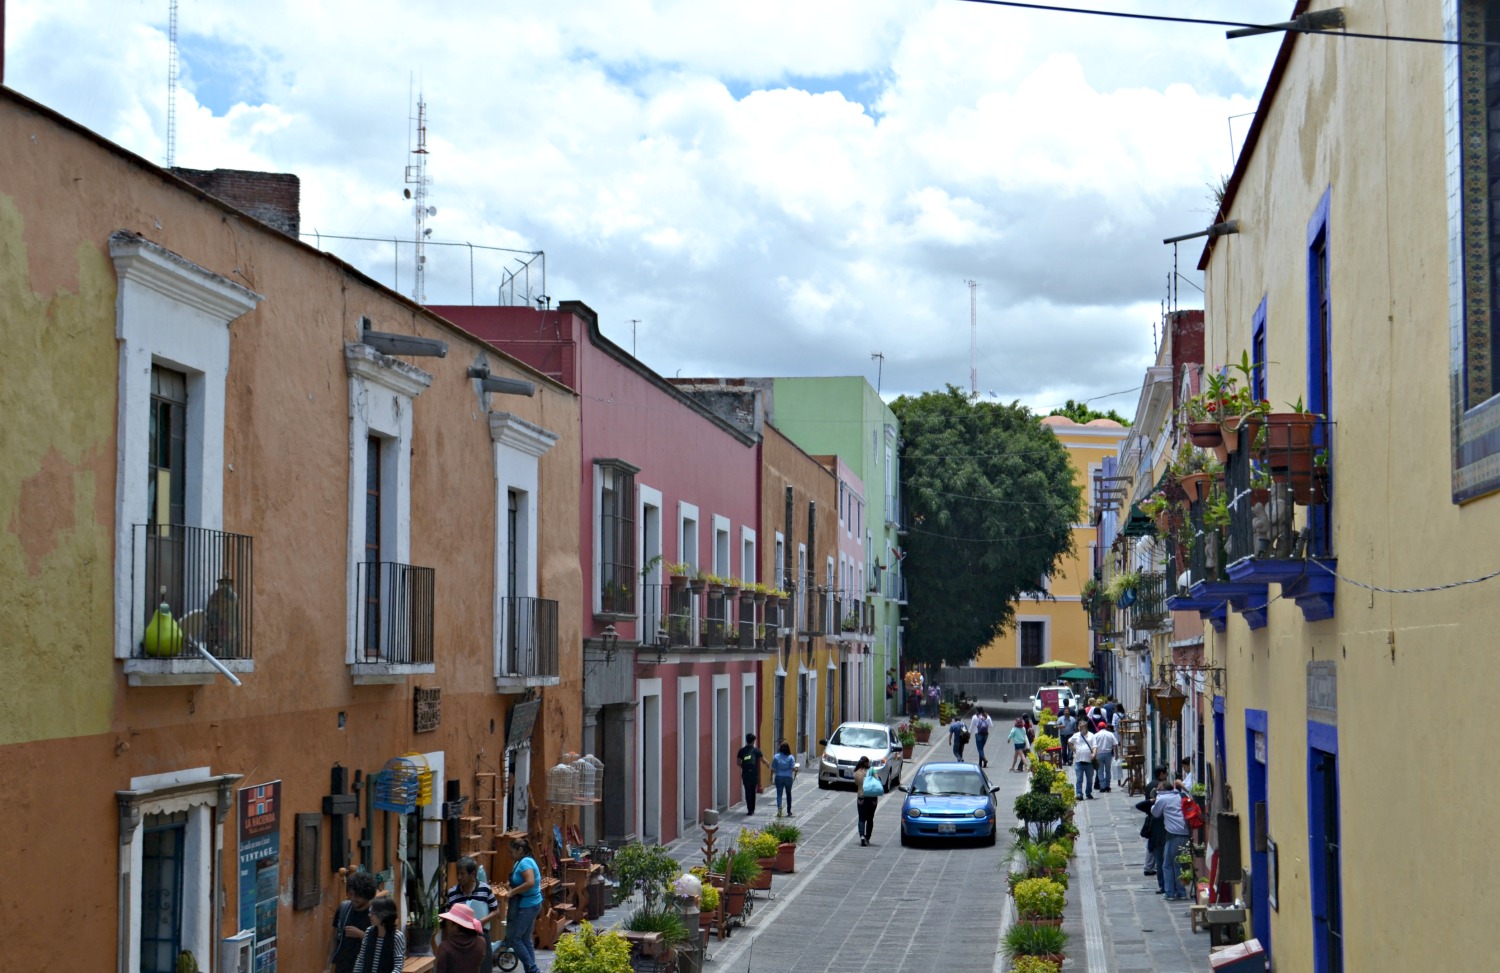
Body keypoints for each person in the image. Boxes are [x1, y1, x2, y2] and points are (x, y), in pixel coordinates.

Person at [444, 857, 500, 956]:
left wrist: (481, 921)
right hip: (460, 938)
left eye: (462, 874)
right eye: (458, 873)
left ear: (473, 873)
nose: (459, 877)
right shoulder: (452, 893)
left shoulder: (485, 889)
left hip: (481, 935)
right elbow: (448, 920)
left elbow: (496, 911)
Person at [505, 836, 544, 973]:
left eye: (511, 852)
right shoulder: (519, 862)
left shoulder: (525, 863)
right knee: (526, 939)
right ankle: (530, 969)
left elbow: (530, 882)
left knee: (516, 939)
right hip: (531, 903)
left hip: (528, 905)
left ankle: (533, 969)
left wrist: (512, 892)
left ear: (520, 850)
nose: (509, 855)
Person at [328, 870, 377, 973]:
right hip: (342, 966)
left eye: (357, 896)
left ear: (367, 895)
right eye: (350, 894)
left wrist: (361, 934)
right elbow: (334, 937)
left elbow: (384, 943)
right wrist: (328, 965)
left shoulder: (376, 914)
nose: (352, 899)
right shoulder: (344, 909)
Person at [1151, 778, 1193, 900]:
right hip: (1185, 832)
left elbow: (1155, 813)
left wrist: (1154, 802)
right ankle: (1181, 891)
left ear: (1161, 790)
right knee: (1178, 864)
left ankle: (1170, 892)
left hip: (1173, 834)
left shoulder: (1162, 798)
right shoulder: (1180, 795)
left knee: (1167, 864)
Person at [351, 895, 404, 973]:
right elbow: (361, 959)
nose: (369, 915)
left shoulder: (397, 936)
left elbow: (398, 966)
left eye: (372, 912)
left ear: (384, 914)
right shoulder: (369, 932)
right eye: (369, 912)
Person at [434, 902, 488, 973]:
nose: (446, 924)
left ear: (456, 925)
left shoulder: (445, 947)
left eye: (448, 922)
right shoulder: (481, 942)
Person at [736, 733, 770, 815]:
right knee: (753, 791)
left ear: (746, 740)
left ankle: (749, 810)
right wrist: (768, 764)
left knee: (747, 791)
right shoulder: (756, 750)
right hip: (754, 773)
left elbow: (738, 762)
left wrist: (744, 767)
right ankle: (752, 809)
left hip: (745, 773)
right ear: (754, 741)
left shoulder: (741, 751)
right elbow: (763, 760)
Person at [853, 755, 878, 846]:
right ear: (867, 763)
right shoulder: (872, 770)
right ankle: (867, 838)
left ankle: (862, 836)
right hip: (872, 798)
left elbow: (856, 783)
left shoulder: (856, 772)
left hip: (861, 797)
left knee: (861, 818)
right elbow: (877, 780)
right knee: (870, 819)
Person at [1068, 721, 1096, 800]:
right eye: (1079, 727)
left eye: (1081, 727)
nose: (1079, 728)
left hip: (1089, 761)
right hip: (1078, 761)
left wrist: (1094, 753)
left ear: (1085, 727)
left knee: (1089, 779)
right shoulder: (1076, 735)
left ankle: (1088, 792)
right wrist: (1073, 749)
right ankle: (1079, 793)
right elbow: (1069, 741)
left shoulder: (1092, 736)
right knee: (1079, 779)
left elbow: (1095, 746)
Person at [771, 741, 798, 816]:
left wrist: (771, 777)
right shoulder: (791, 757)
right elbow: (793, 768)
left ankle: (779, 810)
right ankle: (789, 810)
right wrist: (796, 769)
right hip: (788, 778)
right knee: (788, 794)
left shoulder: (776, 757)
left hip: (779, 777)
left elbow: (773, 768)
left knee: (779, 794)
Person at [1091, 722, 1118, 794]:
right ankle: (1107, 785)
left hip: (1099, 754)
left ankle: (1102, 786)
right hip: (1108, 754)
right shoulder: (1110, 734)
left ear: (1098, 727)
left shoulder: (1096, 735)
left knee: (1100, 771)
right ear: (1105, 727)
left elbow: (1093, 746)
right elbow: (1115, 745)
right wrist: (1116, 755)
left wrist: (1093, 754)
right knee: (1108, 770)